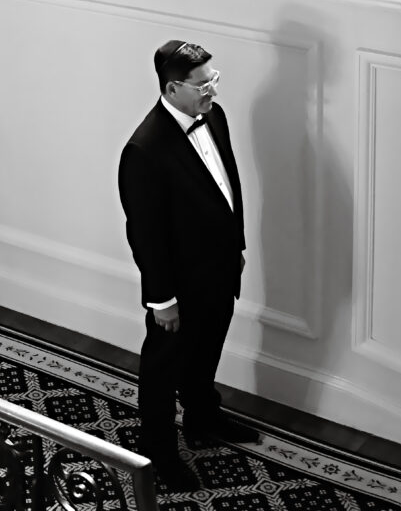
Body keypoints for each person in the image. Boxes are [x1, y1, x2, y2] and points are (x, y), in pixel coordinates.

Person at [118, 40, 258, 489]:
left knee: (208, 349)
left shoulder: (215, 117)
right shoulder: (144, 149)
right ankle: (158, 452)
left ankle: (202, 418)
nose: (212, 90)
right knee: (163, 371)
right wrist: (162, 300)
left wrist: (236, 247)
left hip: (220, 269)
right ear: (172, 88)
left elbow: (227, 186)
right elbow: (145, 235)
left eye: (213, 79)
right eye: (203, 84)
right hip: (179, 285)